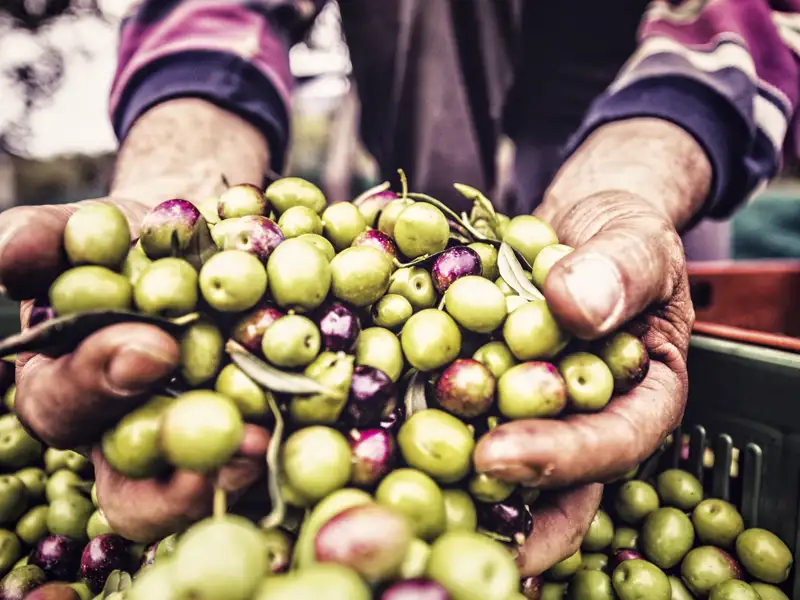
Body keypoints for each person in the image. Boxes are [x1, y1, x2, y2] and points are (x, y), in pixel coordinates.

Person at [0, 0, 798, 578]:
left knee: (625, 288)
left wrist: (641, 181)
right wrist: (181, 168)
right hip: (438, 50)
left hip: (637, 73)